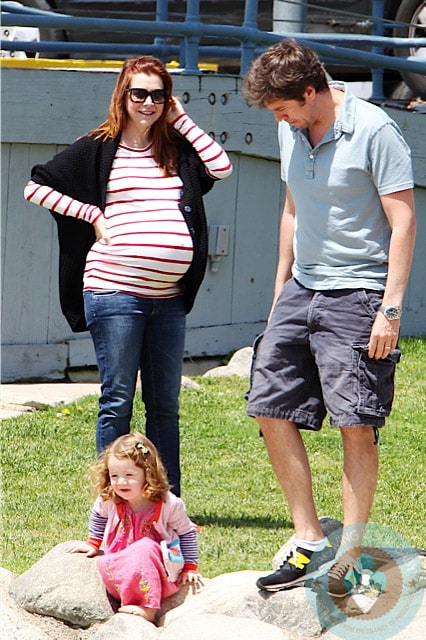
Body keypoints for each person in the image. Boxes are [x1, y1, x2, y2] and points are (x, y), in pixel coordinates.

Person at [243, 39, 416, 597]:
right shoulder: (289, 128)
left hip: (359, 292)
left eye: (283, 107)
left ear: (312, 92)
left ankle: (353, 551)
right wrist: (279, 292)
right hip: (302, 288)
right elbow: (292, 206)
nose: (279, 118)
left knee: (355, 422)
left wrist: (389, 309)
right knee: (268, 404)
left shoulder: (375, 131)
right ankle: (309, 536)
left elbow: (405, 220)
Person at [24, 56, 232, 497]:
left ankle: (163, 501)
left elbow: (222, 167)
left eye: (159, 94)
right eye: (139, 93)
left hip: (168, 297)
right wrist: (92, 214)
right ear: (123, 95)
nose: (148, 102)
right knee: (117, 400)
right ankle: (114, 502)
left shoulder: (177, 150)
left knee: (164, 406)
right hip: (114, 290)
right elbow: (36, 185)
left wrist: (181, 118)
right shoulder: (100, 147)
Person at [67, 431, 200, 623]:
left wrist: (190, 566)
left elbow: (186, 531)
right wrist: (93, 544)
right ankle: (126, 598)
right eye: (115, 475)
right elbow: (98, 514)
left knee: (144, 548)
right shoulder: (110, 500)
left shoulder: (168, 504)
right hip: (120, 564)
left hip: (158, 570)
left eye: (129, 475)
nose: (121, 482)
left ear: (148, 474)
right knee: (118, 559)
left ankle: (148, 608)